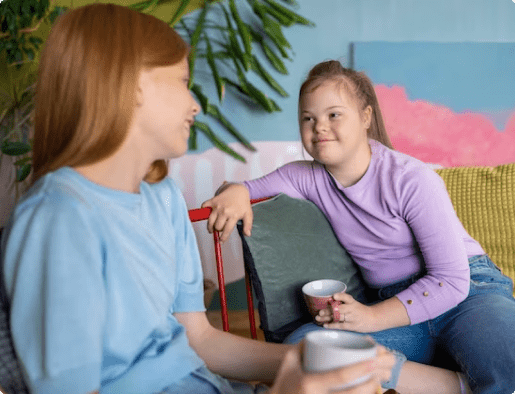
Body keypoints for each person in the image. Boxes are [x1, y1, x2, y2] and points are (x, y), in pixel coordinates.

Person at [0, 4, 396, 394]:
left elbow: (199, 340)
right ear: (134, 84)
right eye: (182, 81)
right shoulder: (58, 219)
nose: (194, 105)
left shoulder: (162, 197)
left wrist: (325, 363)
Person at [202, 60, 515, 394]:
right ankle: (452, 384)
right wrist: (234, 193)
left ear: (365, 117)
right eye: (308, 118)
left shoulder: (411, 179)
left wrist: (370, 319)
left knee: (508, 359)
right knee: (308, 347)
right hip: (393, 305)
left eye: (334, 115)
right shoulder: (306, 176)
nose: (319, 126)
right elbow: (249, 189)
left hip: (467, 294)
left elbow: (451, 281)